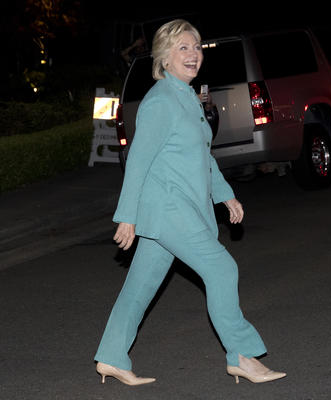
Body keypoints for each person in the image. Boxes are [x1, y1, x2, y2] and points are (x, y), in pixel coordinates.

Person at [94, 19, 286, 386]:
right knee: (222, 269)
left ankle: (111, 356)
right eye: (183, 47)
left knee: (141, 285)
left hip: (177, 207)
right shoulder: (162, 101)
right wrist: (127, 216)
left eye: (196, 47)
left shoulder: (185, 97)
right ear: (164, 57)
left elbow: (202, 155)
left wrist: (225, 193)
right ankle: (242, 355)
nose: (193, 54)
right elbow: (138, 160)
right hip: (167, 209)